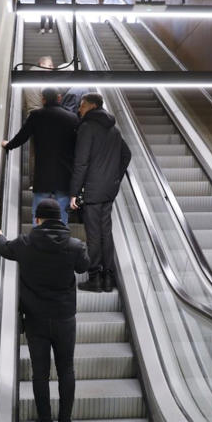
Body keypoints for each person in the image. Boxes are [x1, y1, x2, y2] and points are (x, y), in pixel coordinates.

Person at [0, 199, 90, 422]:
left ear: (38, 219)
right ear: (60, 219)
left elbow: (3, 248)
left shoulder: (26, 243)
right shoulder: (74, 244)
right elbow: (84, 266)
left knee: (40, 374)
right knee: (66, 369)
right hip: (65, 318)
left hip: (36, 319)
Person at [69, 93, 131, 292]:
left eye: (82, 106)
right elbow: (126, 155)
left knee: (94, 235)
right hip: (108, 191)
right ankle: (108, 278)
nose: (79, 109)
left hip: (93, 190)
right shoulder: (113, 130)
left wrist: (74, 192)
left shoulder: (87, 128)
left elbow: (81, 162)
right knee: (106, 233)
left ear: (92, 106)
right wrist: (115, 179)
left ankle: (94, 278)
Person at [2, 87, 79, 224]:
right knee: (62, 212)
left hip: (43, 173)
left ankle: (36, 241)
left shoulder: (36, 115)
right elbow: (78, 145)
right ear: (59, 98)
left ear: (42, 99)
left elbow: (22, 136)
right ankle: (61, 241)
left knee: (38, 211)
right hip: (65, 174)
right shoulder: (72, 118)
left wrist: (8, 145)